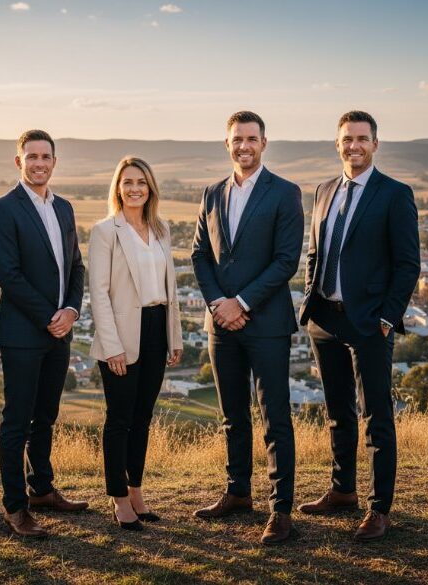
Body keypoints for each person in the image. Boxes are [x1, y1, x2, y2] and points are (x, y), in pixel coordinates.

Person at [297, 110, 420, 540]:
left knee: (377, 416)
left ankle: (379, 508)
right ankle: (342, 490)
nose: (354, 146)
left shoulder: (394, 193)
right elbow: (315, 250)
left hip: (370, 322)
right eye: (347, 138)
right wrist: (310, 296)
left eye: (362, 139)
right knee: (337, 412)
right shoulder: (324, 189)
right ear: (337, 144)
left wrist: (388, 317)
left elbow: (408, 265)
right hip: (324, 317)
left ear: (375, 144)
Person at [191, 111, 304, 545]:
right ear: (227, 143)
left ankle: (280, 510)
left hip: (267, 323)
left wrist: (242, 302)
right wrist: (220, 304)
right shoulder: (211, 193)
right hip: (221, 324)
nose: (244, 146)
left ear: (264, 142)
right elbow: (201, 255)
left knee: (275, 418)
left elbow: (285, 261)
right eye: (237, 139)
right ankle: (237, 493)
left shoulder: (284, 193)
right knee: (231, 416)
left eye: (252, 139)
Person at [0, 129, 87, 539]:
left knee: (46, 416)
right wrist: (49, 315)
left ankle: (42, 490)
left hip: (59, 331)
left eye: (46, 156)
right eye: (32, 156)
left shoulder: (63, 207)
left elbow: (76, 266)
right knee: (17, 419)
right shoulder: (2, 209)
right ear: (19, 162)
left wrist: (72, 310)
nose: (39, 163)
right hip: (23, 333)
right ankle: (16, 506)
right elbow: (8, 276)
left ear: (54, 162)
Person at [88, 157, 184, 531]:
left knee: (143, 419)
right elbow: (98, 293)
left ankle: (137, 492)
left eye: (141, 182)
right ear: (117, 187)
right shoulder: (104, 231)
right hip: (122, 335)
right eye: (127, 182)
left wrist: (174, 338)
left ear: (151, 188)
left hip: (157, 328)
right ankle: (118, 499)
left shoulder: (161, 230)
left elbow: (169, 291)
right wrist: (112, 346)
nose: (134, 189)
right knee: (120, 420)